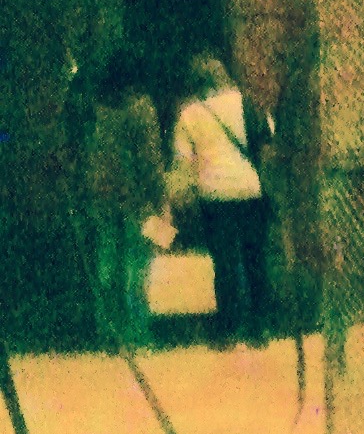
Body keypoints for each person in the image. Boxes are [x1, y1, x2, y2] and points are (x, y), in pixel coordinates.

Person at [170, 53, 273, 347]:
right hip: (250, 190)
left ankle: (228, 328)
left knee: (225, 263)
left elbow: (184, 160)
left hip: (214, 194)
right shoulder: (248, 103)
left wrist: (180, 197)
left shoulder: (189, 114)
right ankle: (258, 328)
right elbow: (268, 137)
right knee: (255, 259)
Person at [84, 49, 166, 350]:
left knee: (106, 262)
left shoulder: (99, 109)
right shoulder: (141, 107)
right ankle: (137, 331)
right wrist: (159, 196)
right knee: (136, 263)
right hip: (135, 197)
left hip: (102, 194)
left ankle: (108, 331)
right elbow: (149, 157)